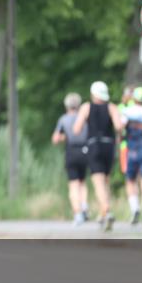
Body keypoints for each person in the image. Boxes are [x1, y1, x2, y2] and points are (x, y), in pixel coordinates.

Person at [72, 81, 123, 231]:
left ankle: (106, 209)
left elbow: (76, 129)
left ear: (93, 93)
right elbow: (119, 127)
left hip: (94, 145)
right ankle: (103, 214)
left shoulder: (86, 107)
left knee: (98, 181)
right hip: (109, 145)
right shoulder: (112, 107)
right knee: (106, 180)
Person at [120, 86, 142, 226]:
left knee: (131, 181)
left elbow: (120, 127)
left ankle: (135, 209)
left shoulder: (126, 111)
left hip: (132, 150)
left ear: (133, 98)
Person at [51, 93, 90, 225]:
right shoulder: (84, 118)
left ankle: (78, 212)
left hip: (71, 152)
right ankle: (84, 206)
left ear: (66, 105)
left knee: (73, 184)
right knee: (83, 182)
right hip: (85, 151)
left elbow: (55, 139)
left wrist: (65, 137)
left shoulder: (63, 119)